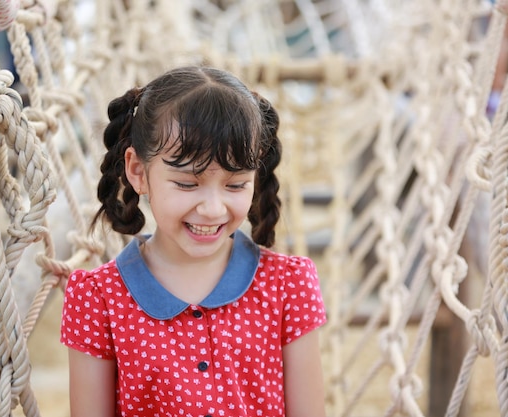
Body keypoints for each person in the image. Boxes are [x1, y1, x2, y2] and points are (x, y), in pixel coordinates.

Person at [60, 65, 327, 417]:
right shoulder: (98, 297)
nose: (213, 209)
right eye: (187, 184)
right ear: (138, 171)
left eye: (235, 185)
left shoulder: (288, 284)